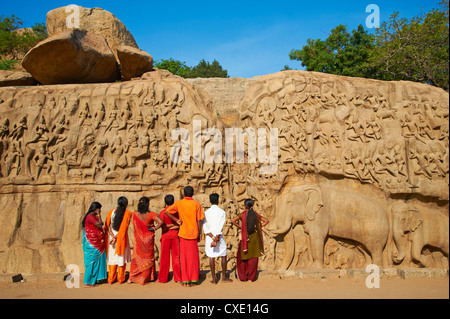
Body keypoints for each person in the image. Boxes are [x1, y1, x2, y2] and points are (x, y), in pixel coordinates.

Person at [165, 186, 205, 287]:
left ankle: (185, 280)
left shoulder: (180, 203)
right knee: (193, 259)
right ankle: (193, 279)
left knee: (184, 258)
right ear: (193, 193)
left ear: (184, 193)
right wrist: (200, 233)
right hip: (193, 233)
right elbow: (199, 220)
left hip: (183, 233)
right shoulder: (196, 204)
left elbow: (167, 211)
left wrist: (176, 220)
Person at [231, 199, 269, 282]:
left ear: (245, 206)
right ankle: (251, 278)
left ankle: (243, 277)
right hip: (254, 239)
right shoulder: (256, 215)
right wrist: (258, 226)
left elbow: (233, 220)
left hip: (245, 239)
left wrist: (239, 227)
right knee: (253, 258)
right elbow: (266, 221)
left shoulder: (243, 215)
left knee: (242, 258)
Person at [128, 197, 164, 285]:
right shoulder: (151, 214)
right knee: (148, 257)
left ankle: (132, 277)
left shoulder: (135, 214)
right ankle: (148, 277)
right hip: (148, 239)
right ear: (147, 204)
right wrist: (155, 228)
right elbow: (161, 222)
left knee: (137, 257)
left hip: (138, 240)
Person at [203, 193, 233, 284]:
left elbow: (205, 226)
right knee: (223, 255)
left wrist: (212, 237)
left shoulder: (206, 212)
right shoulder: (222, 212)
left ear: (210, 201)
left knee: (211, 256)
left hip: (209, 237)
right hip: (219, 237)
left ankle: (214, 278)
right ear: (218, 200)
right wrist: (216, 237)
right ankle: (223, 277)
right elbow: (220, 226)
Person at [104, 196, 133, 284]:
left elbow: (107, 226)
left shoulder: (110, 212)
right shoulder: (128, 213)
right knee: (121, 258)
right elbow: (123, 229)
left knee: (112, 258)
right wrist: (116, 237)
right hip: (121, 239)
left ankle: (111, 279)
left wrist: (112, 236)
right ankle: (120, 279)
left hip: (112, 239)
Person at [81, 202, 107, 287]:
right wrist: (99, 215)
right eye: (99, 209)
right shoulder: (90, 217)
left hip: (98, 243)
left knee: (97, 262)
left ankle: (94, 280)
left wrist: (99, 217)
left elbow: (101, 223)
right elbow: (99, 225)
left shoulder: (93, 217)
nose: (100, 210)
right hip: (92, 244)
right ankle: (88, 281)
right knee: (92, 262)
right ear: (96, 209)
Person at [158, 194, 182, 284]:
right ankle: (178, 277)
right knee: (176, 257)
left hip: (165, 236)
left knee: (164, 258)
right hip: (175, 236)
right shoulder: (177, 212)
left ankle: (162, 278)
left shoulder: (162, 212)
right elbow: (179, 224)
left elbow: (163, 227)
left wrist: (168, 227)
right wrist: (174, 225)